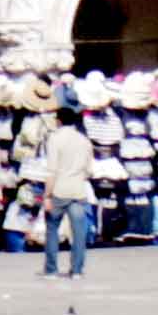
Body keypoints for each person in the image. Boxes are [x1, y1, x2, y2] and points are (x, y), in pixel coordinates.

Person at [28, 100, 99, 281]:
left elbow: (52, 170)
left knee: (52, 229)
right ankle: (77, 270)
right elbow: (90, 170)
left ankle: (51, 269)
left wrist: (47, 195)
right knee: (79, 232)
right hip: (78, 191)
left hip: (59, 189)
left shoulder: (55, 139)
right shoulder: (84, 140)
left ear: (59, 121)